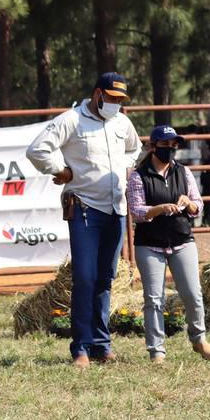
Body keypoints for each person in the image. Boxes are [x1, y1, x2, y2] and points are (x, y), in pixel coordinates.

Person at [26, 72, 141, 368]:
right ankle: (80, 346)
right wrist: (59, 170)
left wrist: (127, 167)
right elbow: (37, 149)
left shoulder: (122, 123)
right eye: (112, 98)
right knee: (86, 278)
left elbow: (135, 148)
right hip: (85, 208)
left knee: (105, 279)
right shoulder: (71, 120)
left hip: (116, 209)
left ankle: (102, 345)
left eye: (120, 100)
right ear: (97, 94)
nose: (116, 104)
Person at [127, 125, 210, 364]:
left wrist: (189, 203)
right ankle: (156, 351)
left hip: (182, 240)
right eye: (165, 145)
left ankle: (199, 338)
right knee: (154, 298)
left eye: (174, 145)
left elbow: (198, 204)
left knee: (192, 294)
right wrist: (158, 209)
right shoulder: (139, 176)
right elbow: (136, 212)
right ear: (153, 146)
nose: (170, 149)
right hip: (149, 244)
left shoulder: (183, 172)